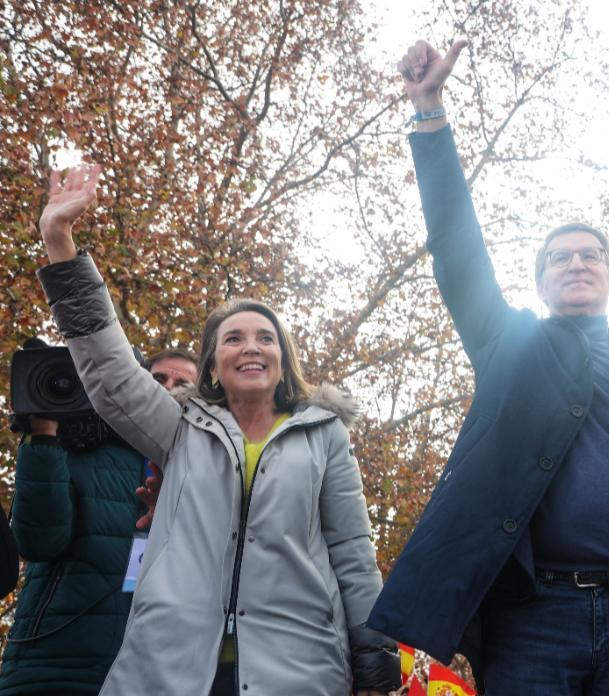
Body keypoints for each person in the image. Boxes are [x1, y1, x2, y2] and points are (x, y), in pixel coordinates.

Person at [367, 39, 609, 696]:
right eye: (559, 258)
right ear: (540, 285)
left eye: (590, 255)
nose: (575, 263)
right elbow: (458, 253)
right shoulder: (509, 345)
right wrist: (430, 115)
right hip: (532, 619)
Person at [34, 163, 401, 695]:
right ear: (211, 365)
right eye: (232, 338)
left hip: (298, 671)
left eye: (264, 337)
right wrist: (59, 241)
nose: (250, 346)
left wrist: (374, 661)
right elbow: (108, 366)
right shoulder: (180, 430)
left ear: (282, 359)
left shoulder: (324, 436)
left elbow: (351, 551)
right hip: (170, 670)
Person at [0, 337, 166, 695]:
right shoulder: (74, 447)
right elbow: (39, 541)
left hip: (153, 673)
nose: (166, 391)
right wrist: (44, 436)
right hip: (51, 666)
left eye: (181, 385)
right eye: (157, 379)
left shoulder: (203, 469)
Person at [134, 348, 200, 530]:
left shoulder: (207, 455)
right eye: (159, 379)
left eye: (182, 384)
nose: (169, 387)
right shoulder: (99, 437)